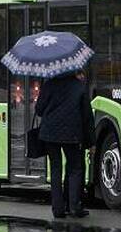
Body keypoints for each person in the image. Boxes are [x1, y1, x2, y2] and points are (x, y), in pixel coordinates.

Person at [36, 70, 95, 219]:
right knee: (75, 168)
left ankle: (58, 209)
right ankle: (74, 207)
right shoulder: (79, 87)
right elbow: (87, 115)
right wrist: (91, 141)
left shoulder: (48, 85)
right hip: (73, 134)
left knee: (55, 169)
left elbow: (39, 110)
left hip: (50, 134)